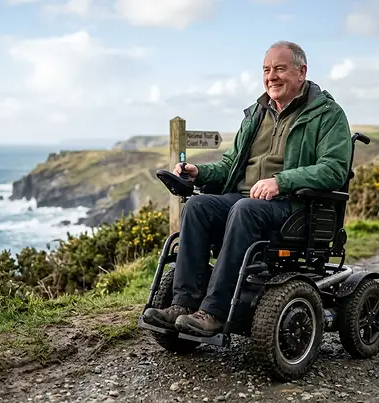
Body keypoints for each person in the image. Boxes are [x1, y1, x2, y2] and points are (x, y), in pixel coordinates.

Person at [142, 41, 352, 337]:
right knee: (197, 207)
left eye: (280, 69)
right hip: (246, 200)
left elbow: (333, 170)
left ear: (302, 72)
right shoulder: (257, 113)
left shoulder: (327, 115)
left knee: (243, 210)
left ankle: (213, 312)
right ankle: (182, 304)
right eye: (267, 70)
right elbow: (230, 166)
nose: (271, 77)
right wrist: (199, 172)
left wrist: (282, 181)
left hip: (295, 206)